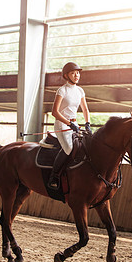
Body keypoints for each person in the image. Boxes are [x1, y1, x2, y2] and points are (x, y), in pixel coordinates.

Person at [48, 62, 92, 190]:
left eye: (78, 73)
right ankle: (54, 176)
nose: (76, 75)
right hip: (62, 124)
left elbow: (85, 109)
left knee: (86, 145)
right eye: (73, 73)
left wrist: (87, 123)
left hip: (74, 123)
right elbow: (54, 112)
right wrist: (69, 124)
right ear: (66, 76)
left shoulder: (80, 91)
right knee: (69, 148)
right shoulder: (62, 90)